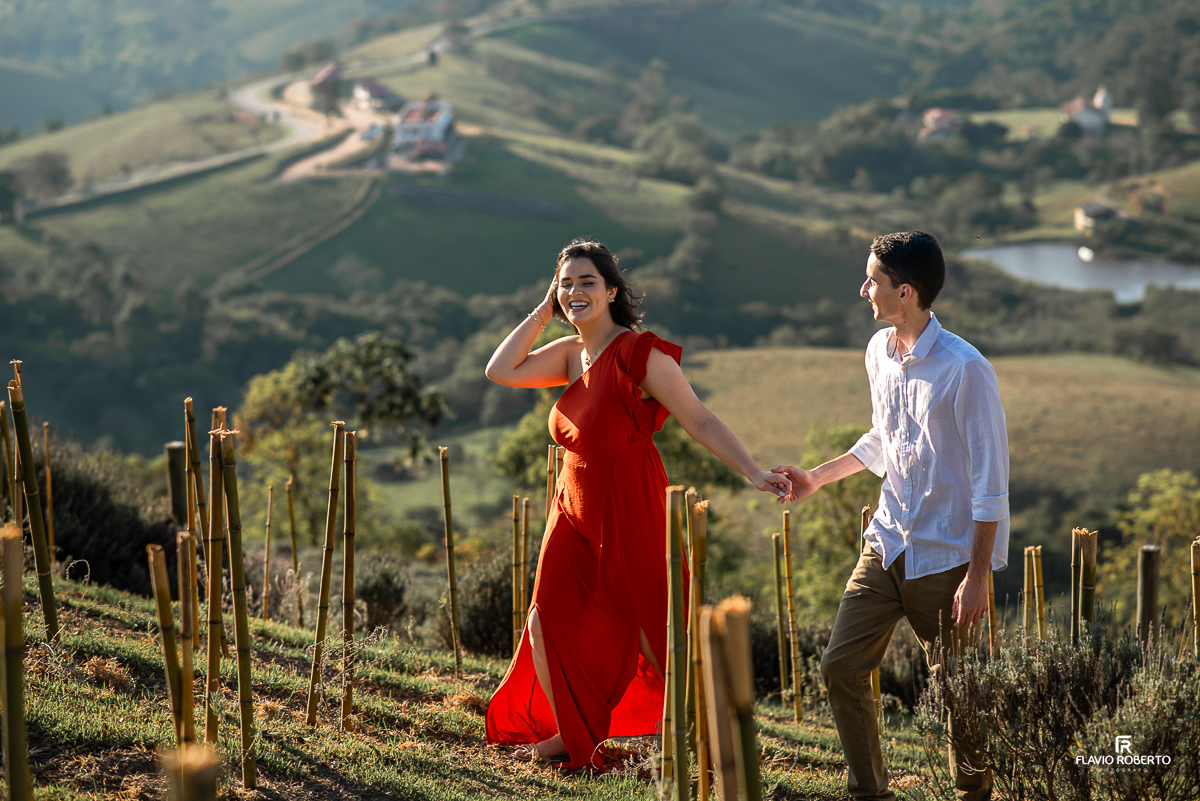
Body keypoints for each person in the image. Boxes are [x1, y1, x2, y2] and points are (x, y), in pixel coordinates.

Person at [484, 238, 791, 771]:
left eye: (587, 282)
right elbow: (501, 369)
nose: (575, 291)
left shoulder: (638, 353)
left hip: (629, 502)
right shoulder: (569, 353)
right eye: (566, 283)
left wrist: (754, 471)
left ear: (612, 290)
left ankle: (705, 733)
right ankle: (573, 733)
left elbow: (699, 419)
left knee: (655, 628)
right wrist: (543, 310)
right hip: (573, 504)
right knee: (545, 619)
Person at [773, 231, 1008, 801]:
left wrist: (977, 577)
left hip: (946, 559)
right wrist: (817, 477)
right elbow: (884, 437)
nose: (864, 289)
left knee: (960, 691)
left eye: (873, 280)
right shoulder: (879, 351)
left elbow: (990, 486)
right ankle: (869, 793)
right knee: (840, 668)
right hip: (886, 544)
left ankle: (972, 796)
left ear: (905, 292)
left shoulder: (966, 370)